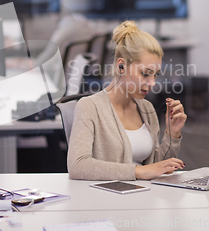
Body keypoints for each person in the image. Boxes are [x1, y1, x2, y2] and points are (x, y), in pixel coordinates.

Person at [67, 21, 186, 180]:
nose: (152, 83)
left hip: (143, 197)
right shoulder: (90, 106)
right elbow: (77, 165)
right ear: (121, 66)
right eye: (145, 74)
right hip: (106, 200)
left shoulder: (146, 108)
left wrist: (172, 133)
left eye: (155, 74)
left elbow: (156, 167)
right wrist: (138, 171)